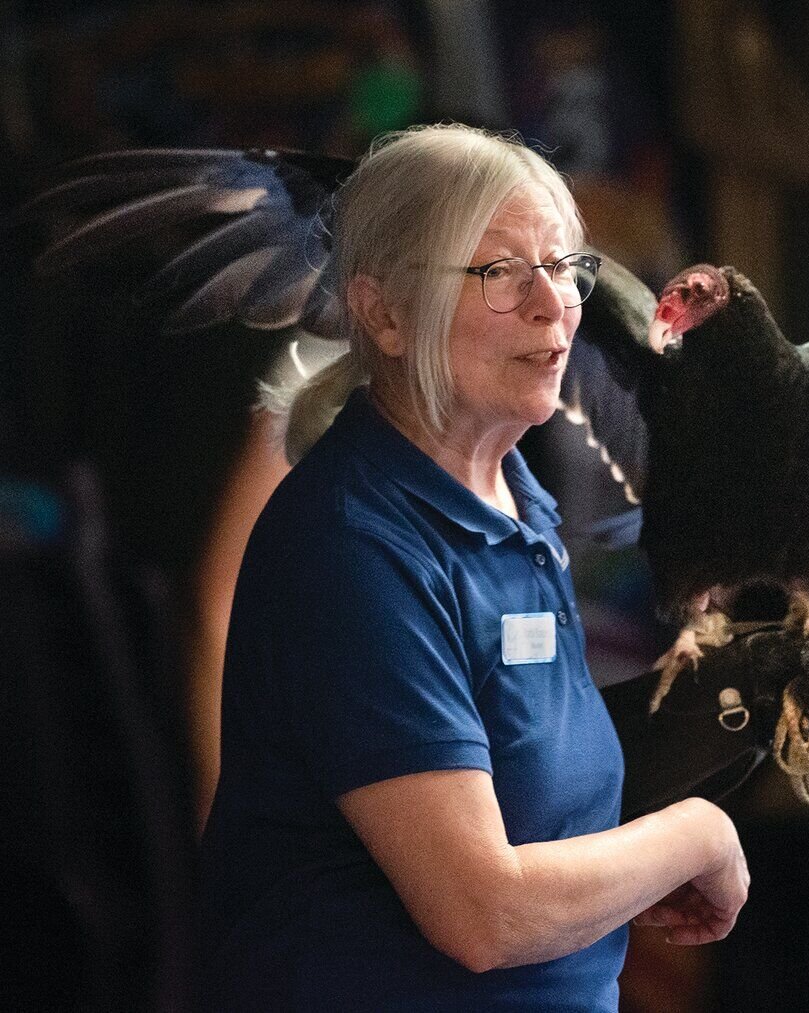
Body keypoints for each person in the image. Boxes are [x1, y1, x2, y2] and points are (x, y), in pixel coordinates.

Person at [195, 124, 749, 1011]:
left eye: (567, 265)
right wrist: (697, 835)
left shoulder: (513, 501)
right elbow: (483, 913)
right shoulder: (357, 546)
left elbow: (527, 789)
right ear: (383, 311)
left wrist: (737, 706)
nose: (553, 303)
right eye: (499, 273)